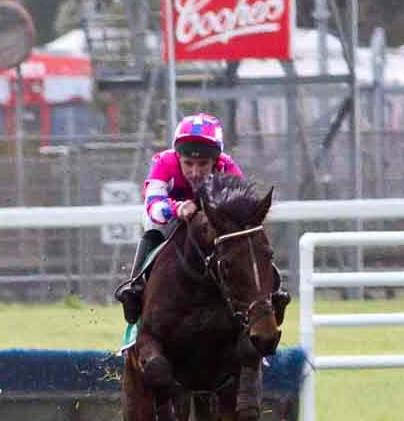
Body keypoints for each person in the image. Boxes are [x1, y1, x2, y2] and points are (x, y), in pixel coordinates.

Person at [113, 112, 289, 325]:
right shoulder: (163, 163)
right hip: (171, 216)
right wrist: (177, 209)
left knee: (247, 239)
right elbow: (154, 207)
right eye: (188, 163)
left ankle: (274, 288)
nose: (195, 172)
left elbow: (246, 206)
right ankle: (136, 285)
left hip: (211, 220)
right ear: (178, 158)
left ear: (216, 161)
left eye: (203, 164)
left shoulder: (227, 167)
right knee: (153, 230)